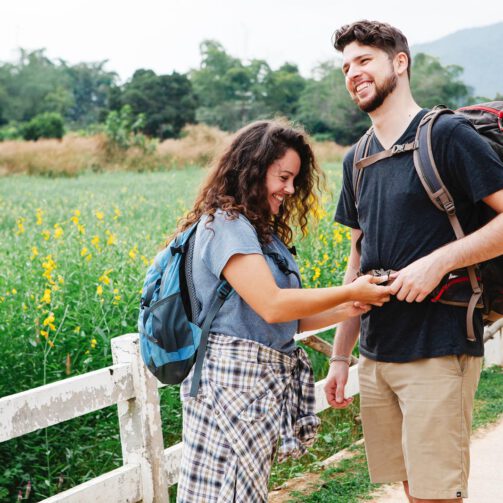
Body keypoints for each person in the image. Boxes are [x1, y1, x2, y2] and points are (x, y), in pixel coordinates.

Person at [324, 20, 503, 503]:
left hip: (439, 343)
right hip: (377, 352)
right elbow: (358, 257)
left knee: (436, 493)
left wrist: (437, 263)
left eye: (364, 61)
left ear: (399, 63)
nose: (352, 73)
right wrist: (342, 355)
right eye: (345, 66)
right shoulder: (356, 158)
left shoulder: (446, 135)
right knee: (411, 488)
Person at [174, 119, 392, 502]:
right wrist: (347, 290)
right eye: (284, 177)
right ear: (252, 170)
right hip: (232, 383)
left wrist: (352, 304)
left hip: (253, 386)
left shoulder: (260, 232)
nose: (290, 190)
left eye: (295, 180)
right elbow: (273, 306)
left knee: (244, 491)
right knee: (228, 493)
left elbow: (292, 319)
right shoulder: (228, 225)